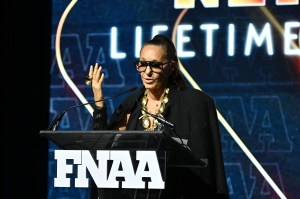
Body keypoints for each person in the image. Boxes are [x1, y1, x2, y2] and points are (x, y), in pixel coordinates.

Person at [88, 34, 229, 199]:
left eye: (155, 65)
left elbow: (206, 165)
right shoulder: (131, 104)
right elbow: (104, 149)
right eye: (142, 64)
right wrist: (98, 98)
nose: (147, 72)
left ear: (171, 66)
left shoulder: (195, 103)